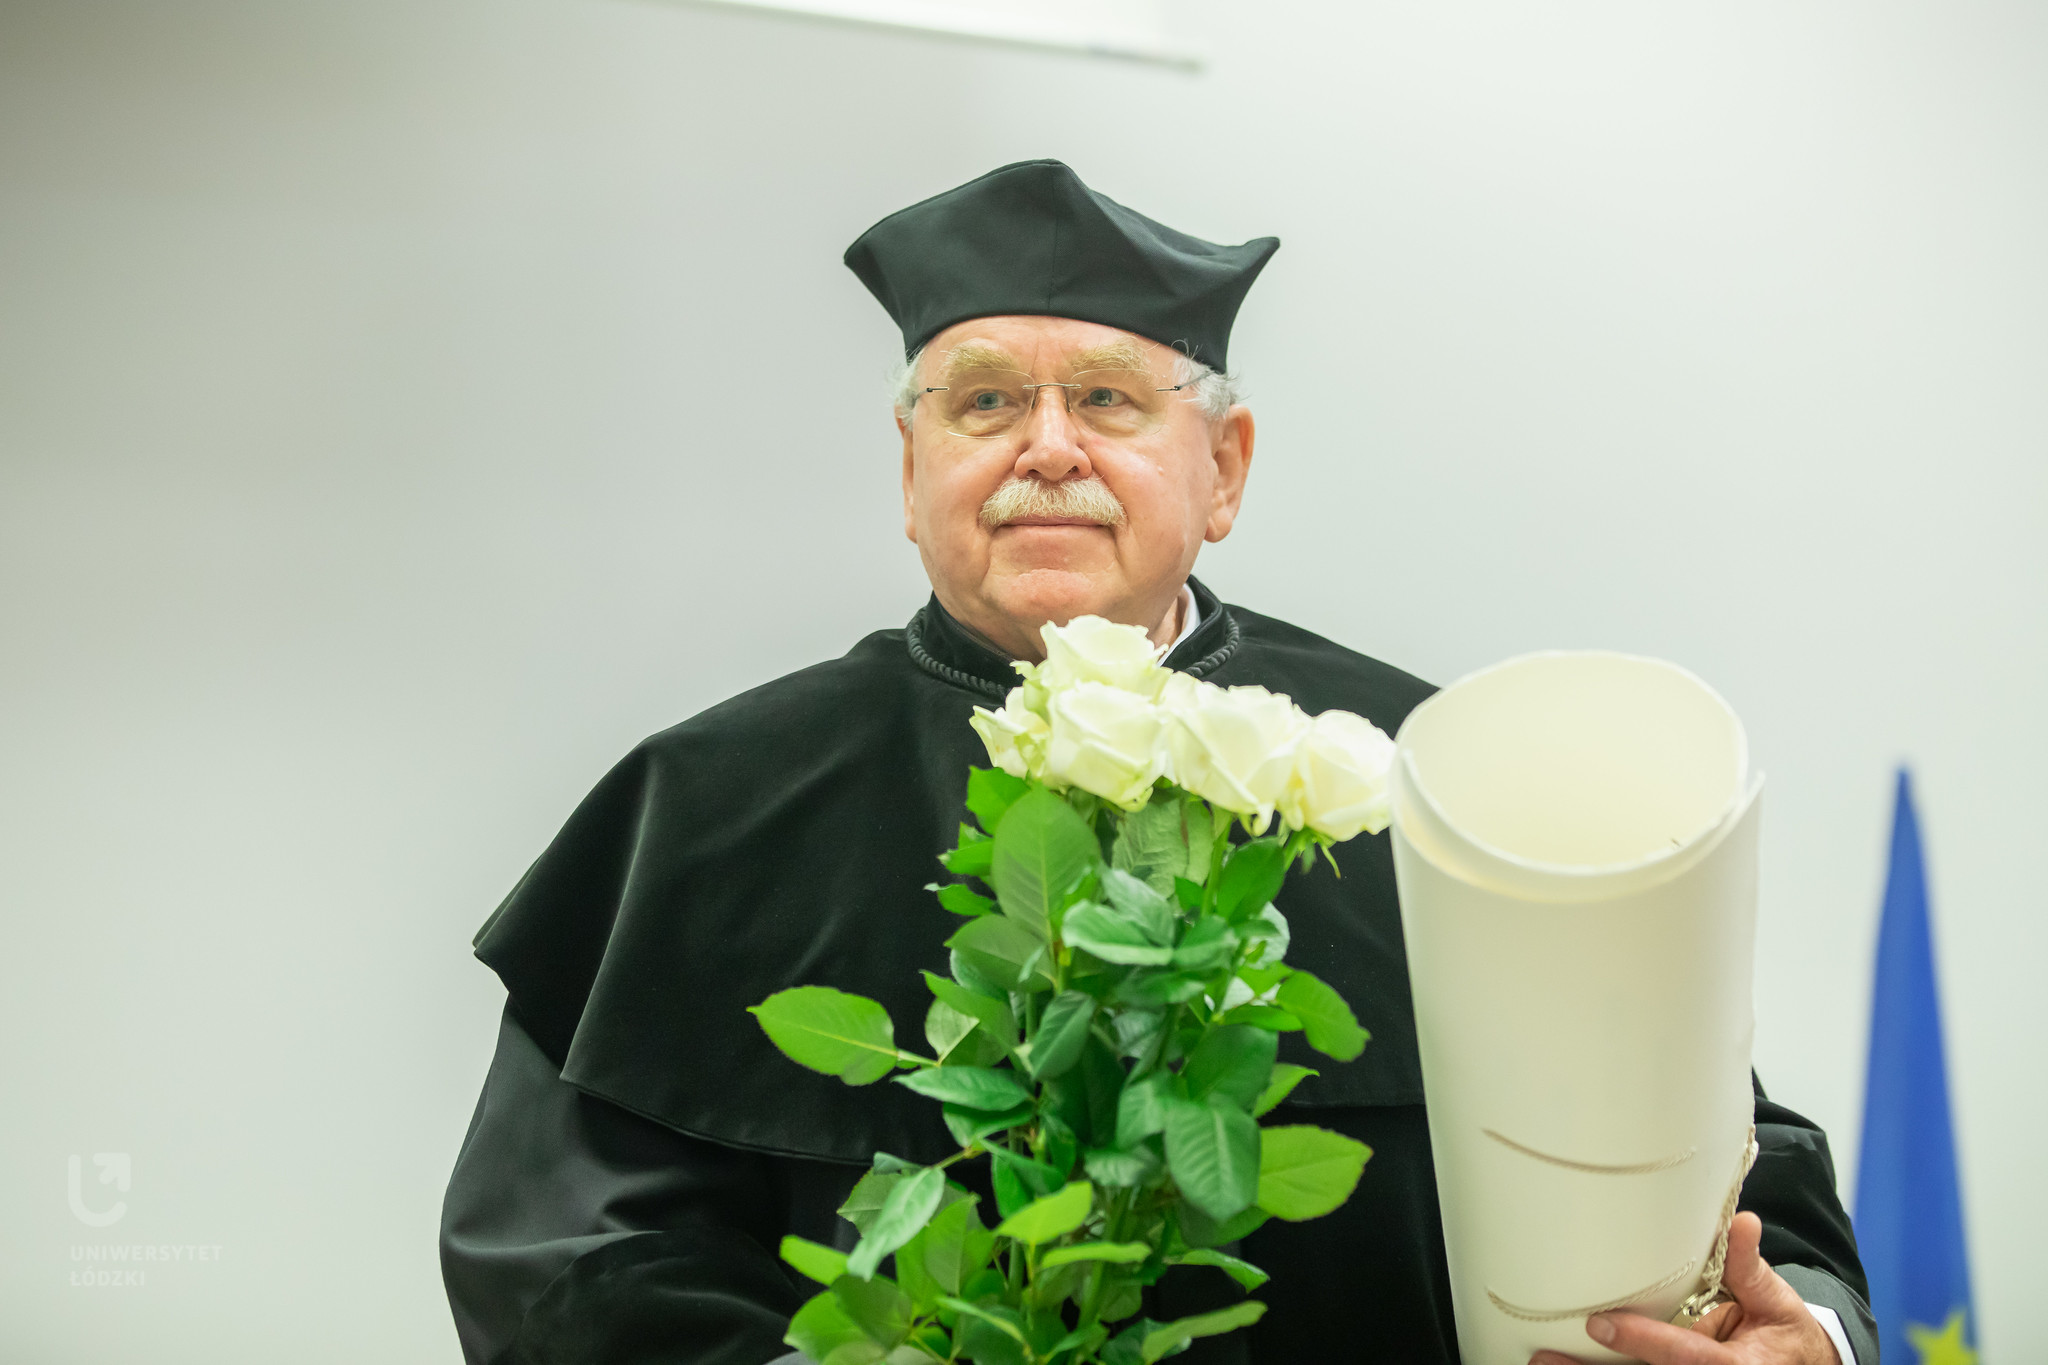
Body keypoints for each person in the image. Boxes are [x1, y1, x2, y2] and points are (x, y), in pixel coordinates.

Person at [440, 160, 1874, 1365]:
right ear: (910, 468)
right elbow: (567, 1259)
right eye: (983, 400)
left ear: (1226, 467)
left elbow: (1731, 1173)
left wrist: (1803, 1329)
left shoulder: (1439, 776)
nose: (1045, 447)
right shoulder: (706, 804)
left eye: (1112, 401)